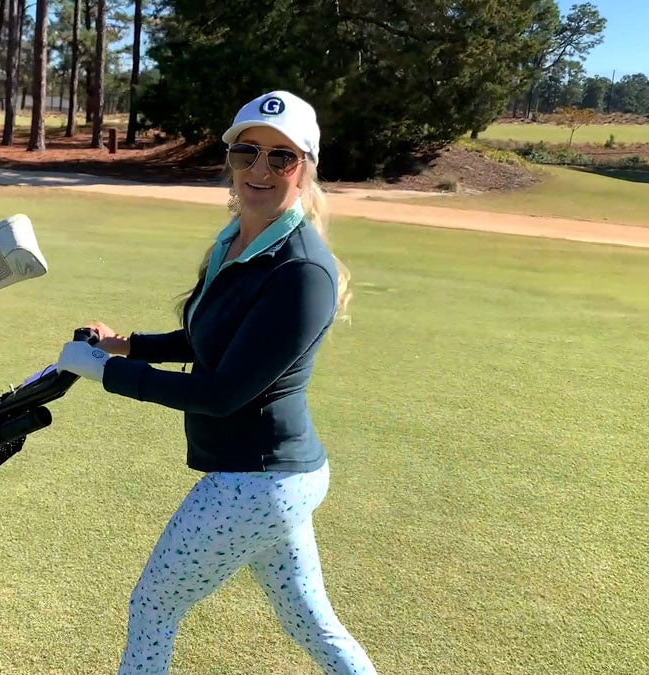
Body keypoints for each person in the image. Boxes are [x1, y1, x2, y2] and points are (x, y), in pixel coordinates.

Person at [55, 90, 377, 675]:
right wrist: (124, 344)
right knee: (311, 624)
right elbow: (207, 339)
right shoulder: (237, 240)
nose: (260, 169)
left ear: (305, 167)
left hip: (258, 480)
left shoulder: (302, 271)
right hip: (273, 479)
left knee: (154, 605)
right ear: (230, 159)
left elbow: (223, 392)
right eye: (247, 152)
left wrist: (105, 372)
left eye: (281, 157)